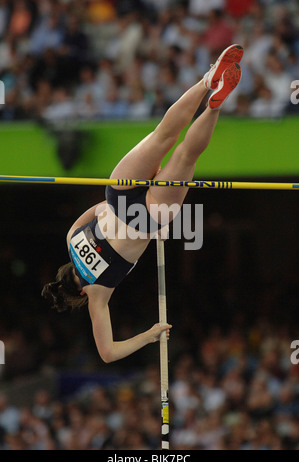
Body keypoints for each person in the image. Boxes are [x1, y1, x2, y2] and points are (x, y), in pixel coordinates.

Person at [42, 44, 243, 364]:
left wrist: (151, 334)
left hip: (146, 219)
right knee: (164, 134)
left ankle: (215, 106)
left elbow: (107, 354)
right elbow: (95, 210)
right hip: (117, 194)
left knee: (186, 156)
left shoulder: (95, 293)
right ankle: (207, 81)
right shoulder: (70, 239)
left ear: (78, 293)